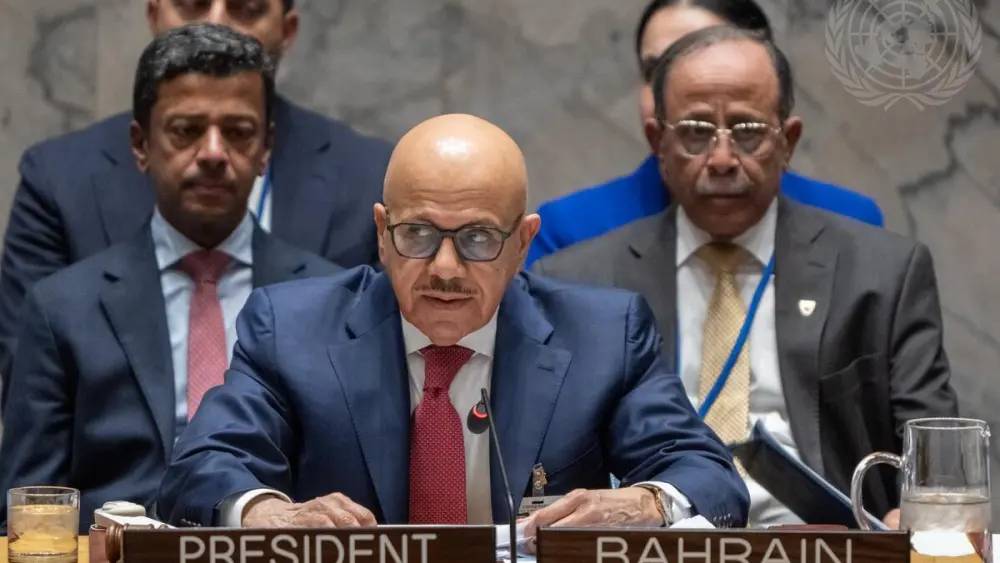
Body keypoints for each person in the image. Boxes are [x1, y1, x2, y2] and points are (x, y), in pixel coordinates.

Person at [155, 113, 749, 534]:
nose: (444, 268)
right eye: (417, 234)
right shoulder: (292, 329)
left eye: (478, 238)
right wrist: (266, 512)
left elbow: (708, 476)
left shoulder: (604, 335)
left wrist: (644, 503)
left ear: (523, 244)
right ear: (382, 234)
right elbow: (199, 470)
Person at [533, 26, 958, 527]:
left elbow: (938, 456)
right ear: (658, 144)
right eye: (695, 132)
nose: (721, 159)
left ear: (788, 141)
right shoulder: (580, 280)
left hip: (823, 544)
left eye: (748, 131)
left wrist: (919, 511)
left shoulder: (881, 272)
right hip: (647, 540)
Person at [0, 24, 342, 533]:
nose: (213, 152)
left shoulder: (330, 298)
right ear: (141, 145)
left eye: (239, 132)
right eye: (186, 130)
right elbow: (29, 510)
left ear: (267, 147)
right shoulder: (62, 308)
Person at [0, 0, 391, 404]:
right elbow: (29, 377)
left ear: (287, 30)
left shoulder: (370, 176)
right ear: (154, 14)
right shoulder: (58, 177)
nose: (217, 22)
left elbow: (383, 379)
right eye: (191, 4)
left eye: (247, 8)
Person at [525, 0, 883, 268]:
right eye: (654, 71)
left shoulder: (849, 226)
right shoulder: (570, 233)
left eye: (700, 62)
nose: (669, 92)